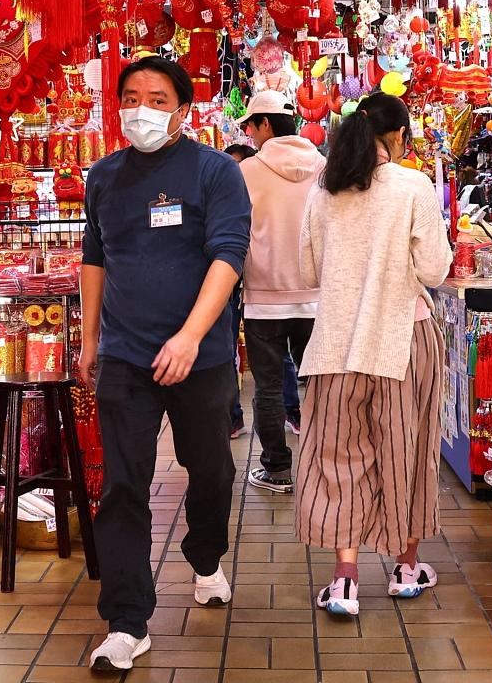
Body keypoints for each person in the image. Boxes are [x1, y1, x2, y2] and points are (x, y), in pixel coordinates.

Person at [79, 56, 251, 672]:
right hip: (125, 355)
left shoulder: (215, 173)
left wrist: (189, 336)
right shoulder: (103, 177)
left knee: (211, 474)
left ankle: (205, 555)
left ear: (182, 107)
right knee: (123, 484)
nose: (142, 108)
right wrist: (89, 337)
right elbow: (94, 259)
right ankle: (127, 621)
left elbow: (229, 258)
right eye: (131, 96)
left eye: (157, 97)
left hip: (199, 357)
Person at [295, 92, 453, 617]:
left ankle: (345, 580)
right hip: (403, 342)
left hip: (336, 346)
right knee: (405, 452)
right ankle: (406, 568)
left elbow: (308, 271)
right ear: (398, 137)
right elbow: (433, 271)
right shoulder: (413, 186)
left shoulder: (325, 190)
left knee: (341, 459)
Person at [237, 91, 325, 495]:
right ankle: (326, 464)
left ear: (265, 125)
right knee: (321, 385)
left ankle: (276, 469)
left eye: (250, 126)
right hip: (316, 297)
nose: (250, 136)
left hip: (263, 300)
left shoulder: (247, 172)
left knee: (269, 389)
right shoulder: (324, 167)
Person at [224, 143, 256, 438]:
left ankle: (293, 412)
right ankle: (233, 417)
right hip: (229, 283)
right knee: (227, 347)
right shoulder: (221, 193)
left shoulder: (260, 185)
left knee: (274, 360)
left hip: (263, 286)